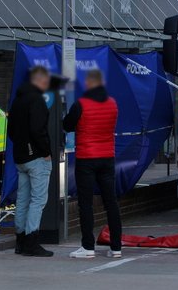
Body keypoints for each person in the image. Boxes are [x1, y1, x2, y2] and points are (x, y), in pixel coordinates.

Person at [63, 69, 123, 259]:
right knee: (111, 203)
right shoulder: (113, 103)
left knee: (86, 204)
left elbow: (67, 126)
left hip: (87, 158)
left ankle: (88, 247)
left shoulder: (81, 104)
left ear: (89, 84)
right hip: (107, 158)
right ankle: (116, 247)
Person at [7, 66, 54, 258]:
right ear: (41, 80)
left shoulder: (18, 100)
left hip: (20, 157)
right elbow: (38, 129)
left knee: (23, 200)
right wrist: (45, 152)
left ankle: (20, 241)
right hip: (36, 157)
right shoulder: (36, 100)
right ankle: (32, 241)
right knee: (38, 200)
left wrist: (22, 146)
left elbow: (11, 131)